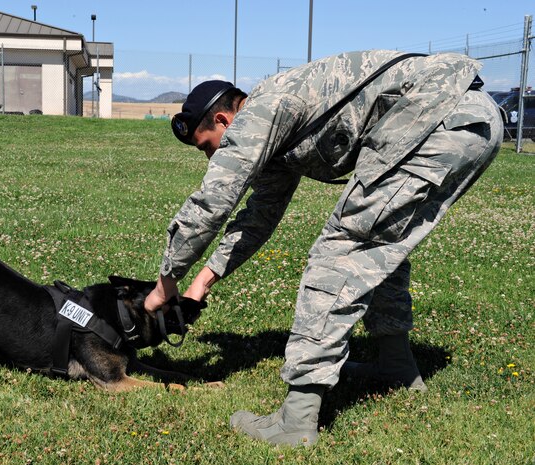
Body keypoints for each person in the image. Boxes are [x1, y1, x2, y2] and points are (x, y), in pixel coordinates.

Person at [144, 50, 503, 447]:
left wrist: (165, 280)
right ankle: (396, 367)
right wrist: (202, 282)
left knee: (340, 251)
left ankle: (296, 421)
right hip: (464, 119)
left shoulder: (258, 114)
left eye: (207, 146)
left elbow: (213, 201)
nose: (213, 157)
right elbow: (258, 219)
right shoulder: (276, 135)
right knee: (377, 244)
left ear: (224, 120)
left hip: (439, 118)